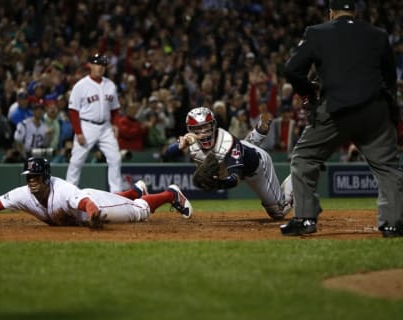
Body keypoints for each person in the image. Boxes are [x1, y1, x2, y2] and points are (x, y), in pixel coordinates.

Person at [282, 0, 402, 237]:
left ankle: (305, 219)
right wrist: (390, 113)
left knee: (305, 157)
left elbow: (291, 70)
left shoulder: (316, 33)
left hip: (335, 109)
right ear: (354, 12)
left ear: (330, 13)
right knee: (388, 168)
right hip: (375, 110)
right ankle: (393, 224)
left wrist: (309, 90)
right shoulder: (378, 35)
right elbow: (389, 80)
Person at [0, 157, 192, 229]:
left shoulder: (63, 189)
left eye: (36, 177)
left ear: (45, 177)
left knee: (140, 213)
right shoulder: (24, 194)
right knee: (126, 201)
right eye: (29, 177)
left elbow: (88, 202)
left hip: (89, 206)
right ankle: (135, 190)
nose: (32, 181)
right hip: (83, 207)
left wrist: (93, 216)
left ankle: (170, 194)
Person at [167, 106, 293, 220]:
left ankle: (295, 179)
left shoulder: (225, 141)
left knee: (278, 212)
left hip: (256, 167)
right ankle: (257, 135)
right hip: (238, 156)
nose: (203, 132)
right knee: (239, 149)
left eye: (206, 126)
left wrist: (217, 184)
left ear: (213, 125)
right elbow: (168, 152)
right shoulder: (192, 143)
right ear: (190, 130)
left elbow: (235, 179)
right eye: (197, 128)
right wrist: (180, 145)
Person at [66, 53, 124, 192]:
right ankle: (68, 194)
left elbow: (115, 108)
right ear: (90, 65)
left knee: (115, 159)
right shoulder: (81, 85)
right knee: (76, 161)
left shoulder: (110, 85)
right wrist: (78, 132)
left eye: (103, 65)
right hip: (86, 126)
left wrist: (115, 124)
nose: (100, 67)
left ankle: (116, 194)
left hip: (105, 127)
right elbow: (73, 111)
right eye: (97, 64)